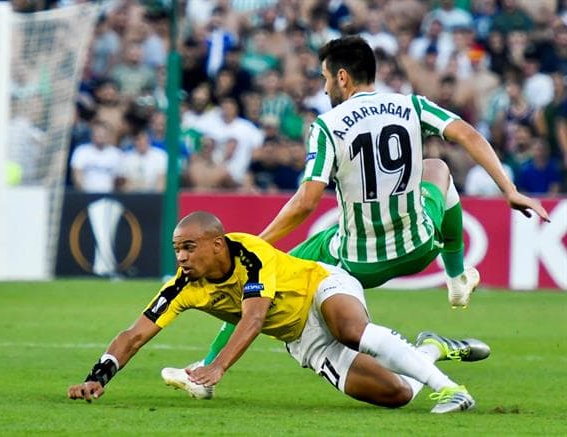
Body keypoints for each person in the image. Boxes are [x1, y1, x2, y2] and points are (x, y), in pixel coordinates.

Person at [162, 36, 550, 399]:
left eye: (325, 78)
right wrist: (509, 190)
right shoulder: (410, 105)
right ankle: (457, 275)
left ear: (342, 77)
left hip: (357, 258)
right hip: (420, 245)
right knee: (437, 169)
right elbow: (468, 134)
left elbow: (305, 202)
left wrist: (255, 244)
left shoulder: (328, 126)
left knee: (261, 272)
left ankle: (207, 370)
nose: (324, 88)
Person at [67, 212, 490, 414]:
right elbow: (134, 334)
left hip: (322, 286)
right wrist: (95, 378)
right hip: (301, 338)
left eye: (188, 247)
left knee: (349, 329)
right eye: (177, 248)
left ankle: (451, 389)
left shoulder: (249, 252)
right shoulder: (182, 286)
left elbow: (253, 318)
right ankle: (429, 350)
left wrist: (218, 368)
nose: (181, 256)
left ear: (217, 244)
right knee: (396, 396)